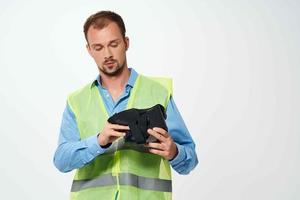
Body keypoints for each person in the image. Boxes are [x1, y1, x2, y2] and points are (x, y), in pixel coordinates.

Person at [53, 10, 198, 200]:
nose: (107, 54)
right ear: (89, 50)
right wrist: (99, 141)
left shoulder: (158, 93)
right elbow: (61, 160)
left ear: (126, 43)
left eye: (114, 44)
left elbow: (190, 160)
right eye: (98, 47)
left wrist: (174, 152)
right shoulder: (76, 101)